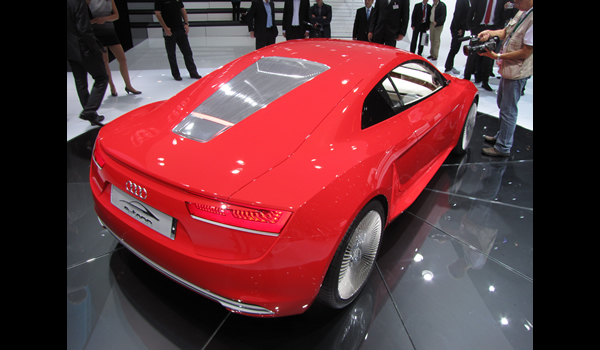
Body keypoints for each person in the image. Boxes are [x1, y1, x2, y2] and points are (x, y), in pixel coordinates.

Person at [478, 0, 533, 157]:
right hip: (508, 69)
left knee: (508, 109)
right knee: (502, 103)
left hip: (517, 71)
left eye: (517, 1)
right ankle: (501, 137)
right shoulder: (523, 12)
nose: (514, 4)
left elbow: (526, 52)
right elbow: (506, 32)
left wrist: (497, 56)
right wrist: (491, 32)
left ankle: (503, 147)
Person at [67, 0, 108, 126]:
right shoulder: (78, 2)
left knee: (80, 82)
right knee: (102, 77)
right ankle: (89, 111)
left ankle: (91, 114)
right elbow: (84, 29)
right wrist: (95, 48)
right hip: (83, 48)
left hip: (70, 48)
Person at [88, 0, 141, 96]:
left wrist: (104, 19)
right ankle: (112, 86)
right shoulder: (89, 0)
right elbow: (81, 15)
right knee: (105, 61)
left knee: (122, 59)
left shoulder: (110, 0)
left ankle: (128, 85)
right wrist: (90, 22)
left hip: (110, 32)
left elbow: (116, 16)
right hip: (97, 33)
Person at [155, 0, 202, 81]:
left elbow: (182, 9)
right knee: (171, 54)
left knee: (187, 52)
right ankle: (176, 74)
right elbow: (157, 13)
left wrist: (186, 23)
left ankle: (193, 72)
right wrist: (165, 28)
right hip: (169, 30)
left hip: (180, 28)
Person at [464, 0, 505, 91]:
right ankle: (466, 78)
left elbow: (503, 14)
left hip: (493, 29)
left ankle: (485, 82)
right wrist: (471, 27)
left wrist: (498, 29)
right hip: (478, 27)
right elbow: (471, 11)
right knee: (472, 54)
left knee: (488, 57)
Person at [444, 0, 471, 74]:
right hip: (457, 28)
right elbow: (457, 15)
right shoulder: (461, 1)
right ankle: (448, 68)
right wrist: (458, 28)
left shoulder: (467, 1)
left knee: (455, 48)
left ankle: (449, 66)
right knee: (454, 48)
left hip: (461, 28)